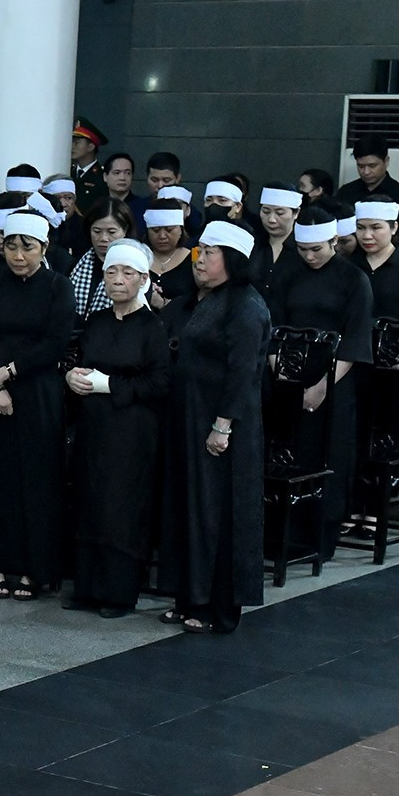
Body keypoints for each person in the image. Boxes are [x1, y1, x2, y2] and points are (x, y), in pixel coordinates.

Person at [157, 223, 269, 635]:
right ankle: (187, 594)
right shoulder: (197, 301)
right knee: (187, 507)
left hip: (222, 423)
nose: (199, 260)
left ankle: (215, 604)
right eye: (198, 252)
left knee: (217, 512)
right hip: (188, 417)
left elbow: (244, 374)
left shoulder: (245, 305)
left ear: (234, 260)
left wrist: (223, 425)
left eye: (209, 253)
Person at [0, 211, 74, 600]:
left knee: (36, 479)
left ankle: (33, 569)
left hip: (36, 389)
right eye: (11, 246)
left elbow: (56, 341)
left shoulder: (57, 286)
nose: (18, 255)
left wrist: (8, 373)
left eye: (27, 247)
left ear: (44, 248)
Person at [66, 240, 170, 616]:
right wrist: (73, 378)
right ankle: (88, 587)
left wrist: (109, 385)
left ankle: (119, 592)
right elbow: (82, 361)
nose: (118, 280)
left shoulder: (153, 327)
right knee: (90, 499)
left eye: (127, 273)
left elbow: (159, 385)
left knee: (122, 508)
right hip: (94, 425)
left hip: (132, 430)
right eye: (111, 272)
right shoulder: (97, 321)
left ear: (143, 279)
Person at [269, 205, 374, 557]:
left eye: (318, 249)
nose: (310, 257)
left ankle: (321, 535)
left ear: (334, 241)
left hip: (333, 380)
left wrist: (322, 386)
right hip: (289, 375)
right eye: (303, 250)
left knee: (330, 452)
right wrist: (282, 374)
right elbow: (273, 327)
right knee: (287, 450)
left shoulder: (353, 278)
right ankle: (282, 531)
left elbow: (355, 338)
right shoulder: (287, 275)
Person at [338, 135, 399, 248]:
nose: (366, 172)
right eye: (360, 166)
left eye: (372, 166)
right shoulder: (346, 192)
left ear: (386, 161)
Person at [69, 200, 133, 319]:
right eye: (97, 231)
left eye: (111, 232)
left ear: (125, 230)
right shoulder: (76, 265)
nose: (103, 238)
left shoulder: (135, 267)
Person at [255, 183, 304, 302]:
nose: (271, 219)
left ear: (296, 213)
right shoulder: (253, 245)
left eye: (280, 213)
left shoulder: (303, 249)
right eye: (266, 211)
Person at [72, 118, 109, 206]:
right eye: (72, 142)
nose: (72, 147)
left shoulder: (101, 177)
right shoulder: (69, 172)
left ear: (91, 146)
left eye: (77, 143)